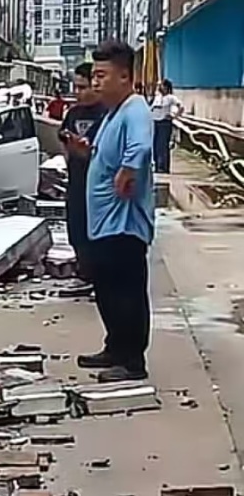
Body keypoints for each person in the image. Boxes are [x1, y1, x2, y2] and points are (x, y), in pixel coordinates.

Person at [77, 39, 155, 384]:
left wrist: (128, 170)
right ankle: (115, 347)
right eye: (94, 75)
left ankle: (132, 359)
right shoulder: (113, 114)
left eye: (102, 75)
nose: (96, 82)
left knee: (126, 291)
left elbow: (141, 145)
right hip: (104, 224)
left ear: (125, 77)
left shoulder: (135, 107)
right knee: (107, 290)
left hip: (124, 224)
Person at [58, 62, 104, 282]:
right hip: (76, 182)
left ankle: (97, 274)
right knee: (76, 228)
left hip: (98, 184)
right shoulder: (73, 113)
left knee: (96, 231)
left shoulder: (108, 114)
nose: (78, 93)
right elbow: (63, 139)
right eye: (75, 87)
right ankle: (83, 269)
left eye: (83, 87)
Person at [151, 78, 182, 174]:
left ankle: (164, 167)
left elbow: (181, 106)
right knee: (155, 145)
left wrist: (175, 116)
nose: (160, 87)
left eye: (162, 85)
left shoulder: (171, 98)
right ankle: (156, 165)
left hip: (164, 122)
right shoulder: (157, 97)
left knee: (163, 145)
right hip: (155, 122)